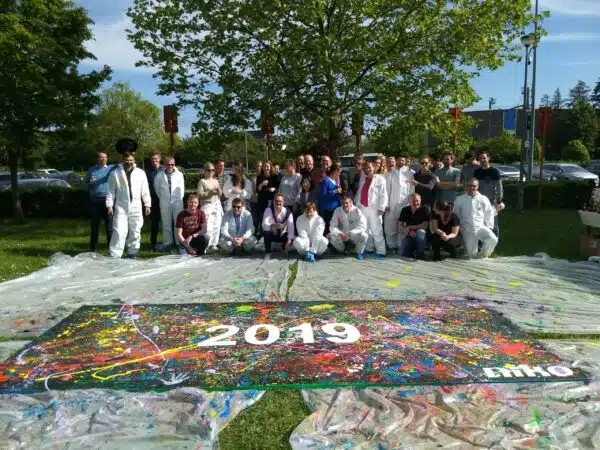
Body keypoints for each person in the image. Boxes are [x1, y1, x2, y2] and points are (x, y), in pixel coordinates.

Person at [106, 151, 151, 258]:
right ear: (123, 160)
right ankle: (115, 254)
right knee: (119, 230)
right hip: (121, 206)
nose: (129, 162)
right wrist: (109, 205)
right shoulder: (115, 173)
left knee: (135, 230)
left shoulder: (140, 173)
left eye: (131, 160)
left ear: (134, 160)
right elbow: (110, 191)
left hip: (136, 206)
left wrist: (147, 204)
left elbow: (145, 190)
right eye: (126, 160)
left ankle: (132, 251)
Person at [453, 179, 498, 258]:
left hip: (480, 227)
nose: (471, 188)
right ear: (466, 187)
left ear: (477, 187)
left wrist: (489, 226)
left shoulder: (483, 198)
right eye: (469, 186)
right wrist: (458, 229)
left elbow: (489, 213)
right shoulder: (460, 199)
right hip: (467, 229)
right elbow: (455, 215)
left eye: (474, 186)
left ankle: (483, 256)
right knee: (471, 255)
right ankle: (473, 255)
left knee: (493, 239)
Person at [355, 161, 388, 258]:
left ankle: (381, 251)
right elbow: (359, 193)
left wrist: (382, 207)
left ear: (374, 168)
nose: (368, 169)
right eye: (366, 168)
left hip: (375, 209)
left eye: (370, 167)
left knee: (376, 230)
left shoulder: (380, 179)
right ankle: (369, 248)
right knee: (365, 229)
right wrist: (357, 206)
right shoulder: (363, 179)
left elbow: (384, 194)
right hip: (363, 208)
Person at [154, 157, 185, 251]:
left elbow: (182, 188)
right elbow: (157, 189)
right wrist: (164, 198)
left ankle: (178, 242)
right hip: (165, 202)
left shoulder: (179, 174)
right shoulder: (159, 175)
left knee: (178, 222)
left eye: (172, 164)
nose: (170, 166)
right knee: (166, 223)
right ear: (164, 165)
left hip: (177, 202)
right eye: (168, 164)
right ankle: (167, 243)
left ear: (174, 164)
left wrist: (179, 199)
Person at [86, 152, 114, 252]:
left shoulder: (111, 168)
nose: (103, 159)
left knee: (109, 226)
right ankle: (92, 249)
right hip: (95, 200)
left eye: (105, 157)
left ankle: (111, 249)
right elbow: (86, 183)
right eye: (101, 157)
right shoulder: (91, 170)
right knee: (94, 226)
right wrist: (90, 183)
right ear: (97, 159)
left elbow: (124, 163)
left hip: (108, 200)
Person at [385, 155, 414, 252]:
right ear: (396, 161)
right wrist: (386, 205)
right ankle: (391, 245)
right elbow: (387, 191)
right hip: (392, 204)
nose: (401, 162)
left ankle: (401, 245)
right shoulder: (390, 174)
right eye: (399, 160)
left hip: (405, 204)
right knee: (390, 225)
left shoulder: (410, 173)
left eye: (403, 160)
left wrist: (411, 204)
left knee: (403, 226)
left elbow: (412, 190)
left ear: (405, 161)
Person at [474, 151, 504, 237]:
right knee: (480, 223)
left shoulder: (494, 171)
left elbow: (499, 187)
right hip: (479, 202)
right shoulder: (476, 172)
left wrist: (498, 201)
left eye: (484, 158)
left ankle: (494, 240)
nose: (482, 160)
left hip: (492, 202)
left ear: (488, 158)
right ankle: (482, 241)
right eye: (480, 158)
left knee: (493, 224)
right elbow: (474, 187)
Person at [197, 162, 223, 251]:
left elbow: (220, 194)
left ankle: (214, 244)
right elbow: (199, 195)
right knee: (208, 226)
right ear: (205, 171)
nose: (211, 171)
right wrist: (210, 192)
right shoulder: (202, 181)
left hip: (217, 204)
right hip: (207, 205)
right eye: (209, 170)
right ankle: (206, 244)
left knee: (217, 225)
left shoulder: (216, 181)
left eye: (212, 170)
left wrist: (219, 191)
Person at [398, 193, 431, 260]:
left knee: (420, 232)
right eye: (413, 201)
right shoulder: (405, 210)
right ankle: (411, 253)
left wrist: (410, 227)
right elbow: (400, 227)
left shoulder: (425, 209)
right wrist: (409, 232)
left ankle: (420, 255)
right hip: (409, 235)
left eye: (417, 201)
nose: (415, 203)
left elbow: (424, 226)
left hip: (423, 237)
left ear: (420, 201)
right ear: (409, 201)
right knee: (403, 254)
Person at [262, 193, 295, 258]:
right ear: (273, 201)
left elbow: (291, 227)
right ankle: (268, 252)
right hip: (272, 234)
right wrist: (274, 225)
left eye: (280, 201)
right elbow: (264, 225)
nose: (278, 203)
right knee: (266, 232)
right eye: (276, 201)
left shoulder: (288, 213)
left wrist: (289, 240)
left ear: (283, 202)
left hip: (283, 235)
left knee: (291, 236)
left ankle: (284, 247)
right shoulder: (268, 210)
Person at [145, 153, 162, 251]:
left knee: (168, 222)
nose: (154, 160)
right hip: (153, 200)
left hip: (164, 199)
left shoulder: (164, 170)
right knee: (154, 222)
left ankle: (169, 241)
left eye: (156, 158)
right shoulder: (148, 172)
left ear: (159, 159)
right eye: (152, 159)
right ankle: (153, 243)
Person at [256, 160, 280, 230]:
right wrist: (261, 184)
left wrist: (274, 189)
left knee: (271, 216)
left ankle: (272, 231)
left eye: (268, 166)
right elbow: (257, 190)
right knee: (263, 217)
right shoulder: (259, 177)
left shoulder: (275, 176)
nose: (266, 168)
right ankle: (263, 231)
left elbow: (279, 188)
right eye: (264, 166)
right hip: (262, 200)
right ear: (262, 168)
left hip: (272, 199)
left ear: (270, 167)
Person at [319, 166, 342, 235]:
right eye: (338, 172)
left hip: (335, 208)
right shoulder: (325, 181)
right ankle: (328, 239)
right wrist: (335, 191)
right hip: (328, 210)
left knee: (335, 226)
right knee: (329, 227)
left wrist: (339, 192)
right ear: (334, 172)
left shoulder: (334, 181)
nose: (339, 174)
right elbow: (323, 195)